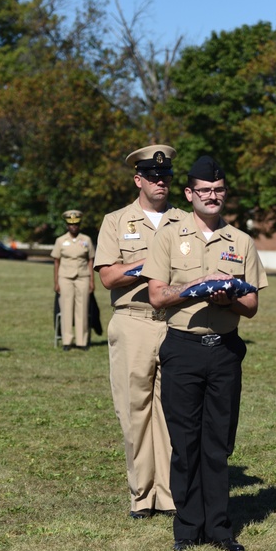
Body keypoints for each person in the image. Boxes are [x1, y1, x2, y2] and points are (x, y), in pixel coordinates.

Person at [145, 155, 268, 551]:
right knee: (185, 443)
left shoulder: (241, 241)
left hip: (225, 352)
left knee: (218, 443)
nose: (212, 196)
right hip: (182, 348)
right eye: (204, 191)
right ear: (189, 193)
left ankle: (219, 527)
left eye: (218, 190)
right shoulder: (168, 234)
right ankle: (187, 528)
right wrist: (196, 285)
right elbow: (157, 296)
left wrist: (227, 297)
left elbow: (250, 306)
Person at [94, 144, 183, 519]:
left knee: (172, 412)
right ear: (138, 180)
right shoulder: (116, 221)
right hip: (133, 322)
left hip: (177, 323)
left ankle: (168, 494)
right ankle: (142, 495)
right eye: (152, 176)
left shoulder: (185, 221)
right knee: (134, 410)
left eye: (165, 177)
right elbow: (108, 277)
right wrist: (150, 262)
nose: (160, 182)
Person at [51, 210, 95, 351]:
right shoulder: (61, 240)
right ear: (67, 225)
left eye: (76, 224)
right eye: (71, 225)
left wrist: (92, 281)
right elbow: (56, 261)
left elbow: (90, 260)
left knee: (82, 309)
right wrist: (56, 281)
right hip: (65, 277)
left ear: (79, 224)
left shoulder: (86, 240)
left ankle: (82, 341)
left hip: (83, 276)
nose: (73, 227)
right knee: (66, 308)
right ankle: (67, 340)